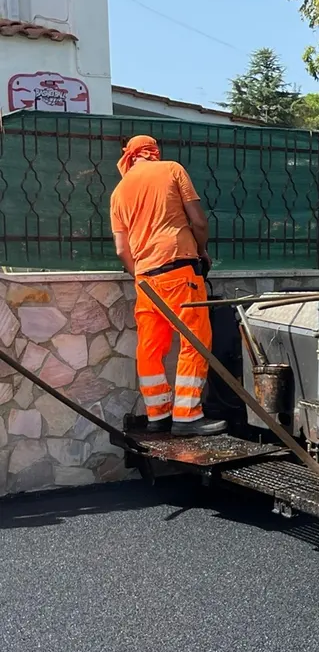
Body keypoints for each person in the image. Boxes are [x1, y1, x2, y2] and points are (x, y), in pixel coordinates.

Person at [109, 135, 226, 437]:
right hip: (178, 268)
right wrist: (201, 252)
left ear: (130, 157)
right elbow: (198, 221)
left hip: (145, 279)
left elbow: (123, 249)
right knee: (195, 340)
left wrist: (141, 276)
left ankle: (157, 415)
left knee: (150, 347)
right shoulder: (172, 170)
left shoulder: (119, 192)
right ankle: (187, 416)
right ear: (153, 152)